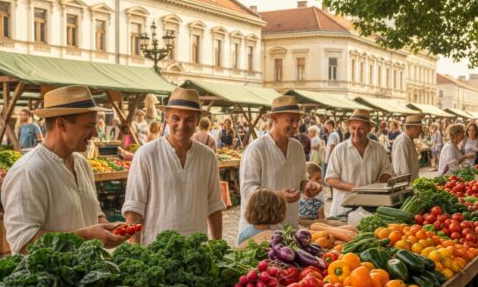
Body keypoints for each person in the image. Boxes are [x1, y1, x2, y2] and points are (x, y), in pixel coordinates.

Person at [2, 86, 128, 254]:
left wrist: (108, 228)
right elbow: (23, 242)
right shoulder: (28, 171)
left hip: (85, 274)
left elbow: (93, 212)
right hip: (50, 279)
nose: (95, 133)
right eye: (89, 125)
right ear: (61, 124)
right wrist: (86, 237)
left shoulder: (82, 164)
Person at [123, 88, 225, 243]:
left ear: (197, 121)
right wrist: (135, 250)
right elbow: (134, 208)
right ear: (167, 118)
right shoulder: (146, 154)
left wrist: (219, 246)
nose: (181, 125)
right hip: (155, 252)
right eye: (176, 118)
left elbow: (214, 206)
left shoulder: (207, 156)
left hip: (196, 251)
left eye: (189, 119)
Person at [240, 95, 322, 230]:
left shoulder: (297, 147)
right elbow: (247, 191)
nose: (295, 125)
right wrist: (279, 195)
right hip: (259, 231)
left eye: (297, 120)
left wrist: (308, 186)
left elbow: (302, 179)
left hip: (289, 227)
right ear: (274, 118)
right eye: (290, 120)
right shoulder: (256, 149)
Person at [325, 109, 393, 216]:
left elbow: (387, 171)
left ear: (369, 129)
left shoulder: (379, 149)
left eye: (361, 128)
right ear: (349, 128)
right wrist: (353, 187)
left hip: (371, 209)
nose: (356, 132)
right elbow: (330, 179)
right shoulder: (340, 149)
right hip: (342, 209)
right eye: (353, 128)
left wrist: (376, 185)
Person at [392, 114, 424, 181]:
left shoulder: (408, 140)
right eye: (420, 128)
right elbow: (402, 169)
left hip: (410, 183)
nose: (421, 131)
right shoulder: (402, 141)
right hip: (405, 184)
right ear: (413, 128)